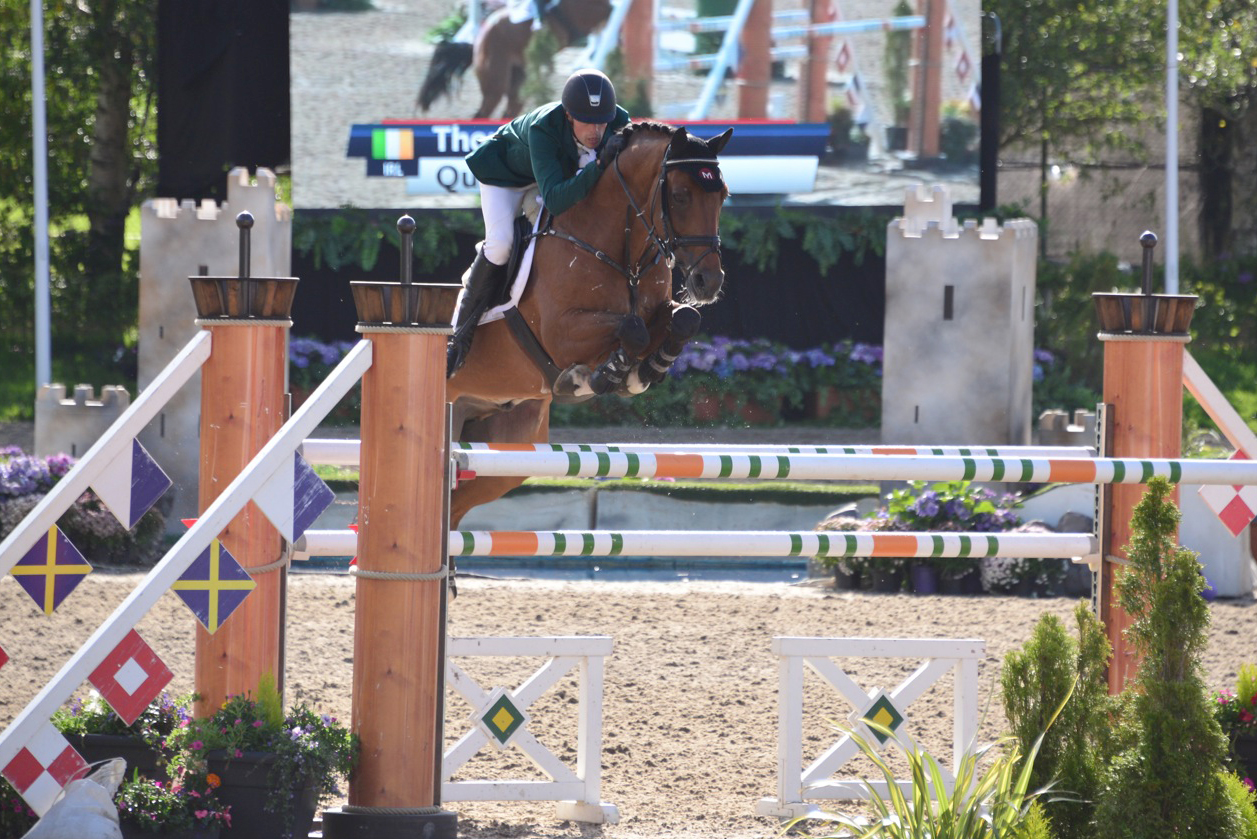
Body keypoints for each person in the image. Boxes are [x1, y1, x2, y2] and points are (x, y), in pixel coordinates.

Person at [448, 67, 631, 376]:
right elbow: (558, 198)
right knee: (501, 244)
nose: (596, 132)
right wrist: (600, 163)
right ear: (570, 116)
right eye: (587, 121)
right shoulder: (544, 127)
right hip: (506, 178)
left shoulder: (617, 121)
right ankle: (458, 337)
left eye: (602, 122)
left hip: (549, 178)